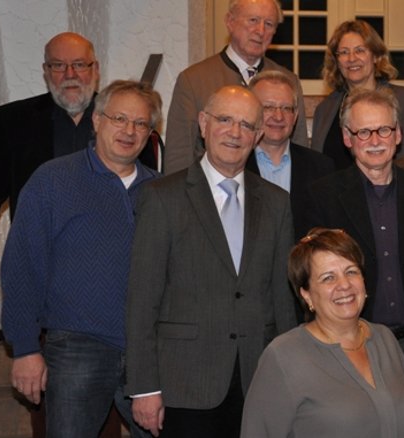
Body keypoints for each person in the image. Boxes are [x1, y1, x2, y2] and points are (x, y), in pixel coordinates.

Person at [126, 85, 297, 438]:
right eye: (224, 120)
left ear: (259, 135)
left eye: (247, 125)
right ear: (203, 123)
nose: (235, 133)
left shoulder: (277, 203)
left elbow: (283, 298)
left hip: (258, 379)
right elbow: (142, 299)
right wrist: (144, 386)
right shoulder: (161, 198)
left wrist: (291, 378)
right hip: (185, 383)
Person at [0, 80, 161, 437]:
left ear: (151, 133)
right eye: (119, 118)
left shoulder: (161, 191)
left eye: (140, 124)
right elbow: (22, 267)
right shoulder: (52, 180)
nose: (129, 131)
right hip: (76, 347)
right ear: (97, 120)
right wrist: (25, 347)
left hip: (147, 353)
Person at [0, 32, 155, 271]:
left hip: (113, 268)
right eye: (58, 65)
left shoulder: (126, 124)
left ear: (95, 70)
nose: (69, 74)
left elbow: (149, 202)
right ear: (46, 70)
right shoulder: (14, 121)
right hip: (40, 268)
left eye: (79, 65)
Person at [304, 88, 404, 351]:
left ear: (398, 134)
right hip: (351, 343)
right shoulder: (321, 197)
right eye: (364, 132)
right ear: (348, 138)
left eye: (384, 130)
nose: (375, 141)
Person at [240, 228, 404, 437]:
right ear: (306, 295)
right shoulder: (283, 357)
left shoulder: (385, 339)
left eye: (351, 271)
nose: (344, 285)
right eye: (328, 278)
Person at [164, 0, 307, 175]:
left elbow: (300, 150)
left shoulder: (288, 81)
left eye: (268, 24)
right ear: (230, 22)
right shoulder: (194, 80)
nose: (260, 31)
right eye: (253, 20)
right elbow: (179, 156)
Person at [311, 20, 404, 170]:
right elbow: (318, 167)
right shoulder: (324, 110)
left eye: (360, 50)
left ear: (376, 56)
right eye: (344, 52)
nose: (351, 58)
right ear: (336, 61)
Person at [246, 70, 334, 238]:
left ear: (295, 117)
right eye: (268, 107)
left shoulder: (322, 168)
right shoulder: (236, 167)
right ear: (251, 112)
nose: (278, 116)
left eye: (286, 108)